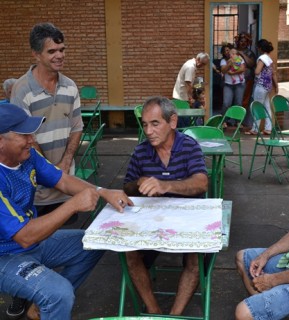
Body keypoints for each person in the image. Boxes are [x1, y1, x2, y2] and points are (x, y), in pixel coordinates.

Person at [0, 103, 133, 320]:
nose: (31, 140)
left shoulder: (27, 156)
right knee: (58, 293)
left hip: (31, 244)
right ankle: (51, 300)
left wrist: (102, 191)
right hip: (5, 255)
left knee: (95, 241)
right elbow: (24, 236)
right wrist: (72, 205)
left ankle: (44, 306)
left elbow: (62, 180)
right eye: (23, 135)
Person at [9, 22, 84, 318]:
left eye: (62, 49)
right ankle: (22, 294)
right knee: (25, 243)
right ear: (36, 54)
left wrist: (65, 164)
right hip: (36, 186)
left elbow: (76, 128)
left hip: (64, 180)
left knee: (65, 239)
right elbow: (22, 138)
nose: (59, 55)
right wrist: (48, 168)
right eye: (52, 50)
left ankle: (47, 297)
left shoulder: (70, 86)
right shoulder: (22, 90)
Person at [123, 96, 208, 315]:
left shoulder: (189, 146)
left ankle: (174, 316)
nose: (148, 131)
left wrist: (165, 185)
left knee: (196, 258)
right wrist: (138, 183)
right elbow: (127, 189)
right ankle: (153, 311)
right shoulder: (141, 151)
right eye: (144, 124)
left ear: (172, 122)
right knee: (129, 253)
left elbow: (201, 182)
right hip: (151, 223)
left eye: (155, 123)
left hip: (187, 222)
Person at [235, 124, 289, 320]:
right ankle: (265, 308)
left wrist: (273, 281)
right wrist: (266, 254)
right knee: (242, 258)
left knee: (243, 312)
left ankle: (261, 307)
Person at [245, 39, 278, 135]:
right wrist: (276, 86)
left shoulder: (262, 58)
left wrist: (254, 69)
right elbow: (274, 73)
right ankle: (268, 128)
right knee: (267, 107)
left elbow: (257, 72)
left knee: (257, 107)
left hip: (260, 85)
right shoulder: (269, 58)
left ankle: (255, 129)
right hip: (268, 86)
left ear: (260, 48)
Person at [220, 43, 246, 127]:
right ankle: (224, 121)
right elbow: (223, 70)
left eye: (229, 50)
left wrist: (233, 73)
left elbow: (242, 69)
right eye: (225, 51)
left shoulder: (240, 59)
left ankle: (238, 121)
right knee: (226, 103)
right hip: (228, 84)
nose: (227, 52)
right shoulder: (223, 61)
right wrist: (229, 64)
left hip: (240, 83)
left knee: (238, 103)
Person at [234, 32, 256, 128]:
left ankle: (241, 120)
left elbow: (251, 64)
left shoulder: (250, 53)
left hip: (247, 79)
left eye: (245, 41)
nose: (242, 43)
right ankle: (233, 119)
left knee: (244, 100)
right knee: (233, 100)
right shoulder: (233, 51)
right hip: (233, 79)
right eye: (241, 41)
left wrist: (242, 54)